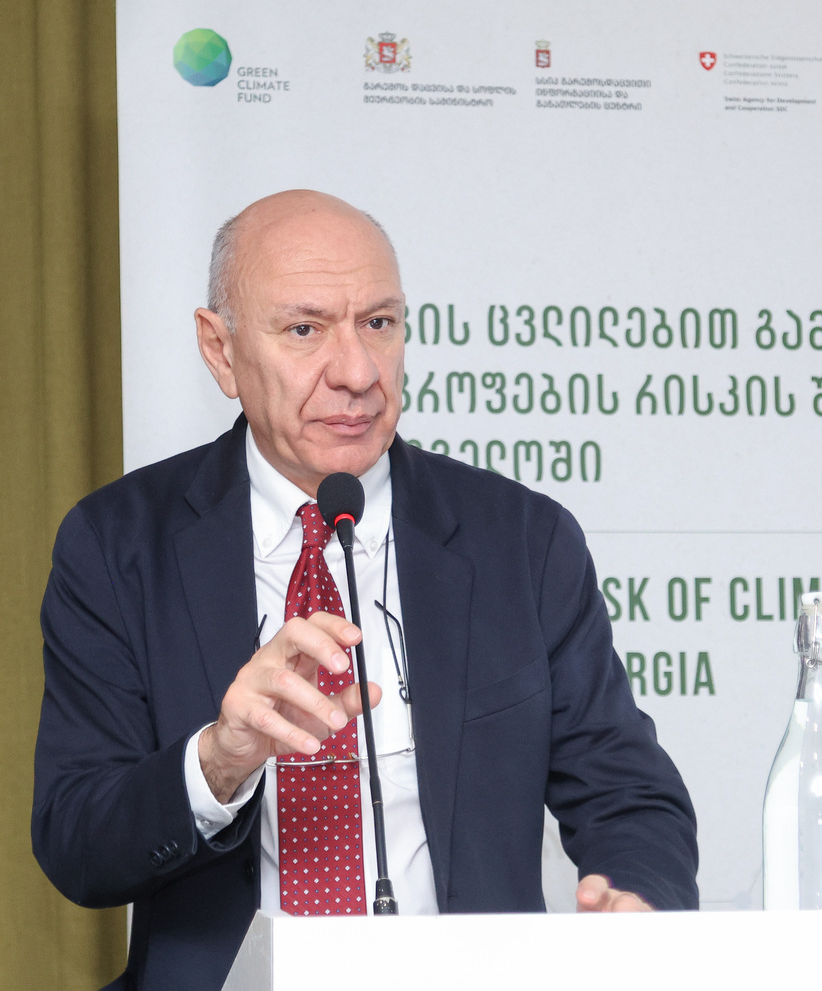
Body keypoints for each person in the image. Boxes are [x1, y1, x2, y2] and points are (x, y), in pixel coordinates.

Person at [32, 190, 698, 990]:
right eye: (305, 329)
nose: (356, 373)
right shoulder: (118, 545)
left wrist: (635, 905)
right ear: (220, 350)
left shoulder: (521, 541)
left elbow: (630, 798)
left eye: (378, 323)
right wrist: (217, 762)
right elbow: (78, 841)